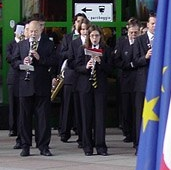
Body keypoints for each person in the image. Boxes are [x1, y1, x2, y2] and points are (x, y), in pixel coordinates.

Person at [12, 19, 58, 157]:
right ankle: (25, 146)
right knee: (24, 118)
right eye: (31, 31)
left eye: (36, 31)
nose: (33, 33)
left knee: (43, 118)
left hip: (42, 85)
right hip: (25, 85)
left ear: (41, 30)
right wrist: (22, 62)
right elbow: (13, 61)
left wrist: (40, 58)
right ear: (27, 31)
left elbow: (54, 61)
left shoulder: (48, 44)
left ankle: (43, 146)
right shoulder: (21, 45)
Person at [74, 25, 112, 156]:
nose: (94, 38)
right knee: (86, 117)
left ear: (100, 36)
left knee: (100, 117)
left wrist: (100, 63)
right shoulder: (82, 49)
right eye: (92, 36)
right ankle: (87, 146)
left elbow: (111, 69)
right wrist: (86, 66)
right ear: (88, 37)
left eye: (96, 36)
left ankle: (101, 146)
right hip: (85, 86)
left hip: (100, 87)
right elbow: (76, 67)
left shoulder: (106, 50)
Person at [57, 12, 86, 143]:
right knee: (67, 104)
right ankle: (64, 131)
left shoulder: (88, 38)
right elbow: (61, 53)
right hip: (69, 75)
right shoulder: (68, 38)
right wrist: (73, 50)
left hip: (82, 75)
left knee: (81, 105)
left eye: (82, 21)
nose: (80, 23)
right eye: (78, 21)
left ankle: (81, 132)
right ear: (74, 23)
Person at [113, 18, 140, 144]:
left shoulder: (141, 42)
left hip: (138, 80)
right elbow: (117, 60)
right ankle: (128, 132)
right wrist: (130, 65)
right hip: (125, 80)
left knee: (137, 108)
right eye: (131, 32)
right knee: (126, 108)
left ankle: (136, 134)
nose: (133, 35)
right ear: (127, 32)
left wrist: (134, 64)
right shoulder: (121, 42)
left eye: (136, 32)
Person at [133, 11, 156, 152]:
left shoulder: (164, 38)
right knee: (141, 115)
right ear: (147, 25)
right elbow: (135, 61)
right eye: (152, 23)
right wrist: (145, 57)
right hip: (142, 82)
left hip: (158, 84)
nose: (155, 26)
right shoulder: (139, 40)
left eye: (157, 24)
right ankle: (139, 144)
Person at [6, 23, 24, 142]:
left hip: (23, 77)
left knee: (22, 104)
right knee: (13, 104)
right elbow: (9, 58)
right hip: (13, 77)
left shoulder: (27, 43)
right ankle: (12, 127)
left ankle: (22, 128)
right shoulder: (11, 44)